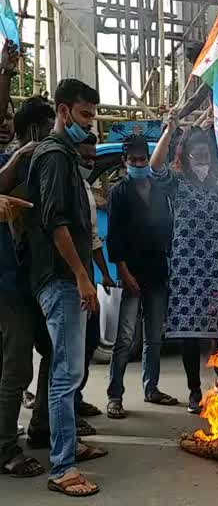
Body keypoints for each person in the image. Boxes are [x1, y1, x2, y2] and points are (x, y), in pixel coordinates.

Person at [26, 78, 105, 496]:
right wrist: (80, 276)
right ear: (62, 111)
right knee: (65, 374)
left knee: (67, 372)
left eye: (92, 115)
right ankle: (63, 467)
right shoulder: (55, 156)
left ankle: (68, 446)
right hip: (59, 278)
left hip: (62, 276)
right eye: (84, 115)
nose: (89, 124)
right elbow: (56, 222)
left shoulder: (65, 155)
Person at [150, 109, 218, 415]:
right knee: (188, 333)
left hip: (212, 270)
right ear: (187, 154)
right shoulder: (177, 183)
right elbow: (154, 167)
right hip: (185, 270)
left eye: (207, 152)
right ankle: (194, 391)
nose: (202, 157)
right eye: (197, 152)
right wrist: (170, 129)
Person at [105, 134, 178, 419]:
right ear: (125, 162)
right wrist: (124, 273)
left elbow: (168, 230)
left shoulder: (159, 190)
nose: (139, 164)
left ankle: (152, 388)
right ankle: (115, 395)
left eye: (142, 159)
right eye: (133, 160)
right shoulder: (119, 193)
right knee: (124, 339)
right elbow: (114, 240)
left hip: (157, 271)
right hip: (131, 275)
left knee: (154, 337)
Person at [0, 95, 56, 453]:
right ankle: (5, 448)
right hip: (8, 284)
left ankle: (41, 427)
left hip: (32, 282)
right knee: (17, 368)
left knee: (54, 351)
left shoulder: (44, 165)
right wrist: (20, 155)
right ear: (36, 129)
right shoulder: (13, 162)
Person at [70, 134, 115, 435]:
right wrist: (83, 277)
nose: (88, 163)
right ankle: (68, 412)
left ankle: (78, 397)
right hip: (70, 280)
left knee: (87, 342)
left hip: (88, 275)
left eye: (91, 159)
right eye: (84, 158)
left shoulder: (85, 187)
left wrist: (104, 274)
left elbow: (94, 239)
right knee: (69, 351)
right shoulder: (68, 188)